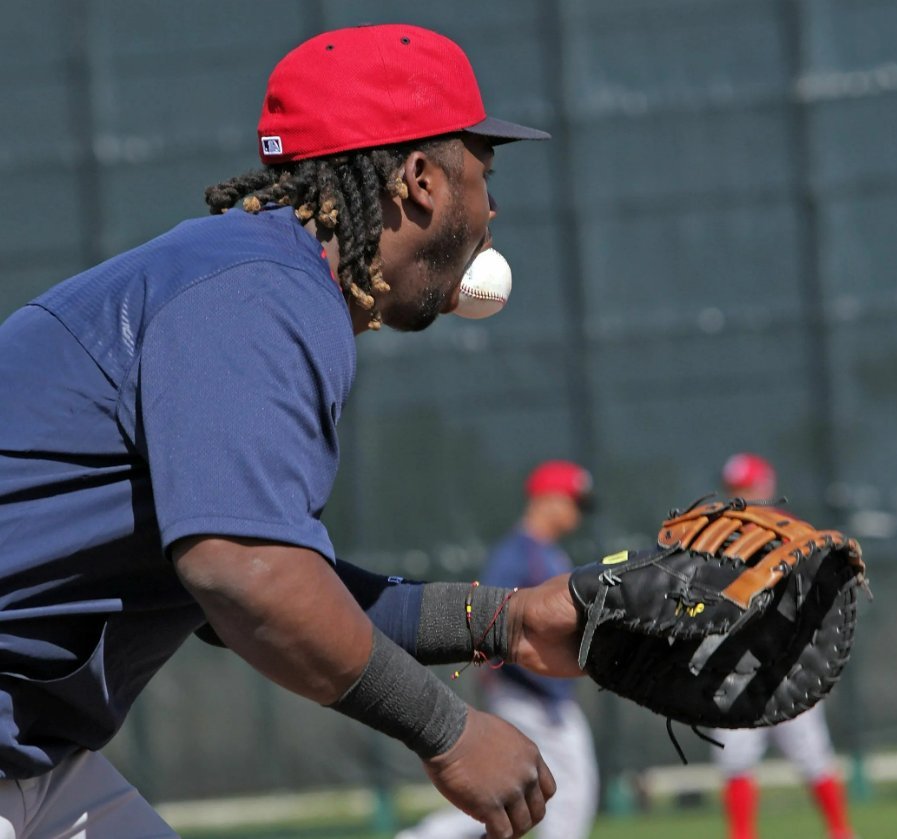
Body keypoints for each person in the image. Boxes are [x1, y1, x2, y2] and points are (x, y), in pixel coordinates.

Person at [0, 24, 587, 839]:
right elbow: (247, 576)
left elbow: (269, 585)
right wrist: (448, 729)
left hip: (35, 762)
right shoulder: (260, 292)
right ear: (419, 180)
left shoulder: (247, 278)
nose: (492, 207)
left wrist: (506, 620)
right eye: (482, 171)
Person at [396, 460, 601, 839]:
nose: (577, 512)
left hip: (543, 695)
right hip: (527, 693)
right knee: (565, 791)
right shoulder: (518, 555)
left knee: (531, 795)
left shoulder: (548, 554)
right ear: (548, 499)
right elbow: (490, 622)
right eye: (573, 501)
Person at [712, 453, 858, 839]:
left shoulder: (794, 532)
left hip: (788, 662)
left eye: (749, 487)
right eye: (736, 490)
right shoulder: (712, 536)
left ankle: (841, 831)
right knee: (735, 758)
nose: (742, 496)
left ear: (767, 486)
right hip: (736, 664)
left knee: (813, 754)